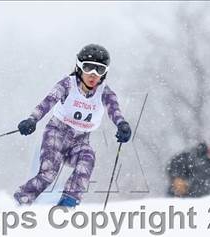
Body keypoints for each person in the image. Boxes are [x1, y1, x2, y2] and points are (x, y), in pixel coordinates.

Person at [14, 44, 131, 207]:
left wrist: (122, 125)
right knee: (48, 174)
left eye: (100, 70)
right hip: (57, 133)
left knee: (87, 160)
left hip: (81, 140)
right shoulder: (67, 84)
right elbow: (47, 103)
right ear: (79, 67)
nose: (93, 75)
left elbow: (115, 111)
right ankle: (20, 201)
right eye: (88, 68)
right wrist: (32, 120)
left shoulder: (105, 92)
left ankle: (67, 204)